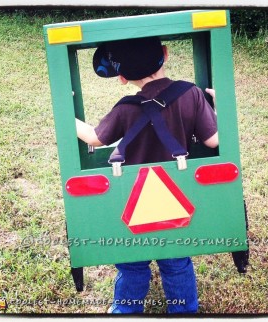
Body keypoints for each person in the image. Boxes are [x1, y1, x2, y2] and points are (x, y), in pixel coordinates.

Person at [75, 36, 218, 314]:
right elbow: (213, 141)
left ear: (122, 78)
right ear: (165, 53)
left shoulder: (126, 107)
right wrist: (221, 104)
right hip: (175, 197)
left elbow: (94, 138)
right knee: (176, 261)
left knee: (132, 261)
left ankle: (125, 311)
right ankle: (185, 311)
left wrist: (67, 117)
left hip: (134, 197)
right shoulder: (191, 94)